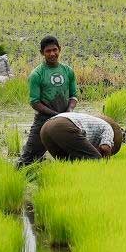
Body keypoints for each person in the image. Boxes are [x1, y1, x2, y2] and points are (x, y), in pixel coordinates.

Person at [17, 36, 79, 167]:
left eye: (55, 50)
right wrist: (55, 114)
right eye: (48, 51)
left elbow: (73, 96)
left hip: (66, 119)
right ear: (42, 53)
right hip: (43, 121)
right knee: (27, 159)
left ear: (60, 49)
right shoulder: (37, 74)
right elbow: (35, 102)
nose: (52, 54)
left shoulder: (68, 71)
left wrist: (69, 111)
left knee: (71, 157)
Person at [39, 112, 122, 161]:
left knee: (69, 161)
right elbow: (105, 148)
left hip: (45, 128)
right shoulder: (108, 127)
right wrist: (106, 163)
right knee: (96, 159)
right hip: (63, 125)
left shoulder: (93, 124)